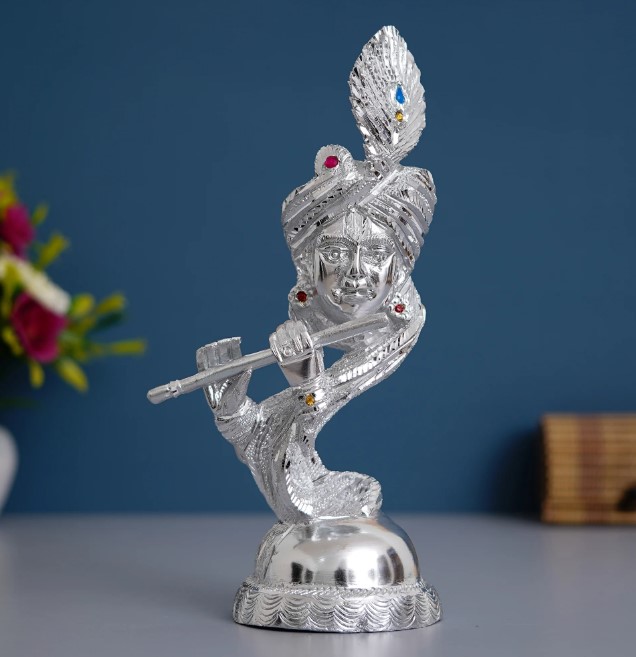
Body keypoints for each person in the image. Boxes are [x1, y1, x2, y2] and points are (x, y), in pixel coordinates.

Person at [196, 26, 436, 523]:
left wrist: (306, 385)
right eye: (336, 251)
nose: (355, 272)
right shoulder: (310, 317)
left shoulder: (399, 329)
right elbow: (273, 445)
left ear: (400, 267)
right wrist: (235, 415)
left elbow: (304, 410)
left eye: (376, 252)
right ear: (307, 264)